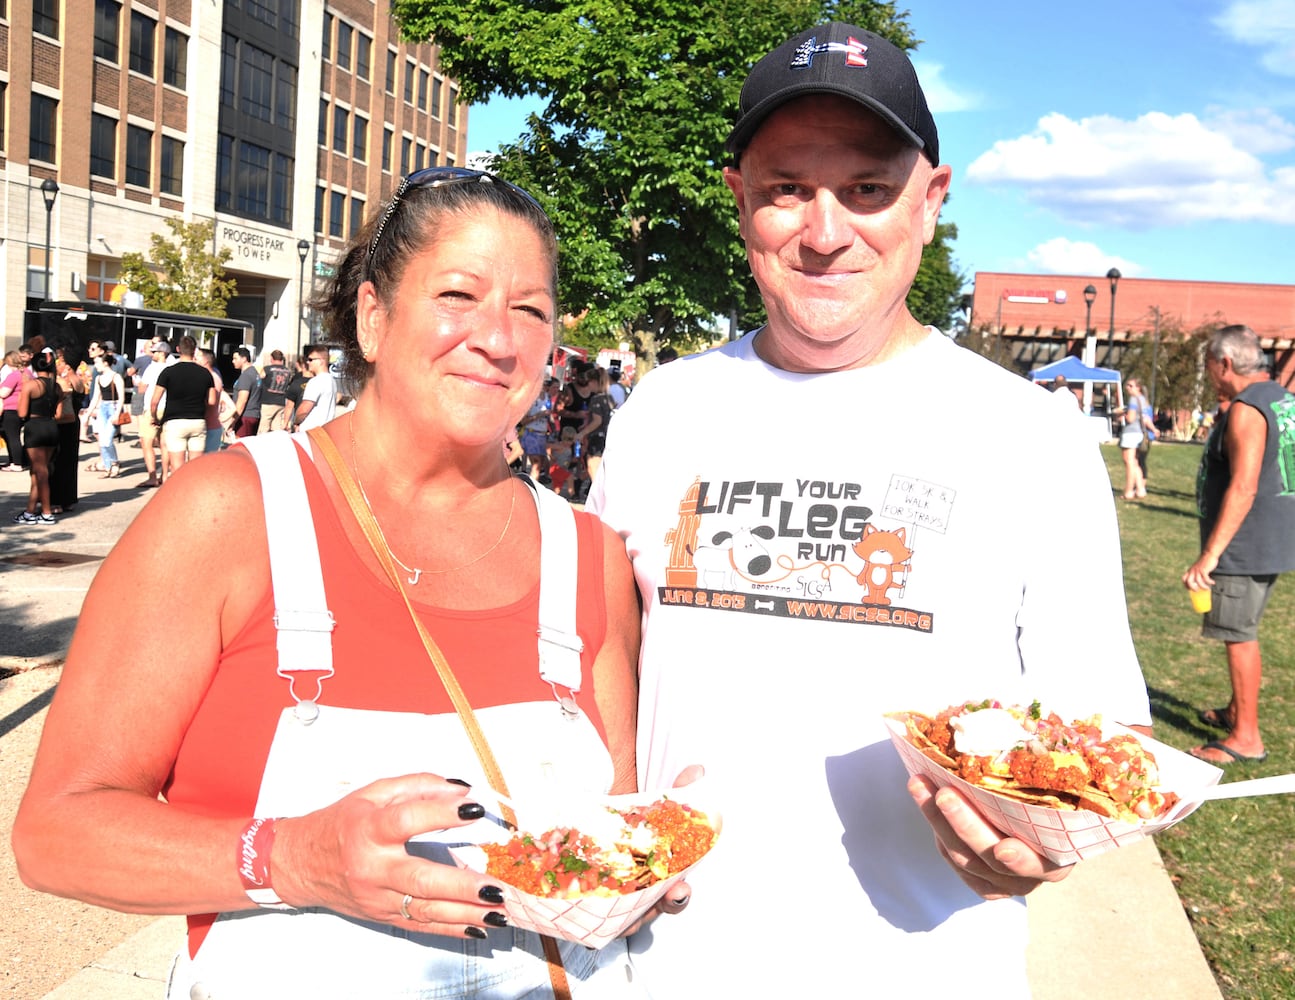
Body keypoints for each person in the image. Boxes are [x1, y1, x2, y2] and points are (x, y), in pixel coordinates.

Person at [586, 23, 1153, 998]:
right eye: (784, 189)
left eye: (864, 189)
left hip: (926, 967)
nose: (822, 231)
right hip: (667, 967)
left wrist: (1040, 847)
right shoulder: (662, 410)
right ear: (739, 203)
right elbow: (600, 648)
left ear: (929, 201)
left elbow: (1101, 730)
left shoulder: (1030, 435)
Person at [13, 166, 648, 999]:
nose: (499, 338)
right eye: (458, 294)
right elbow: (56, 832)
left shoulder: (588, 554)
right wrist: (297, 858)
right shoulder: (231, 512)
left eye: (529, 309)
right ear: (374, 317)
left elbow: (617, 828)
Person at [1182, 325, 1295, 765]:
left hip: (1244, 544)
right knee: (1242, 626)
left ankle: (1246, 736)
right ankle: (1236, 709)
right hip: (1273, 537)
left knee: (1238, 634)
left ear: (1225, 364)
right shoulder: (1283, 399)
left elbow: (1245, 486)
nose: (1211, 377)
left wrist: (1209, 556)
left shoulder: (1248, 408)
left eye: (1210, 368)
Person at [153, 335, 216, 478]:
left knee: (177, 467)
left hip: (175, 422)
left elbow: (154, 401)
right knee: (195, 466)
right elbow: (212, 401)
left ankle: (179, 495)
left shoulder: (168, 372)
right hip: (197, 421)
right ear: (194, 351)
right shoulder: (205, 373)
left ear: (177, 349)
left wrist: (155, 417)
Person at [13, 349, 62, 524]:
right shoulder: (56, 386)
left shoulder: (31, 385)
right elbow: (59, 413)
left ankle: (47, 512)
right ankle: (30, 510)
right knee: (37, 471)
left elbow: (22, 412)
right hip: (51, 426)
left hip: (35, 428)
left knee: (40, 472)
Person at [135, 339, 172, 488]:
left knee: (146, 442)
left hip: (152, 407)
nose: (152, 354)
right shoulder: (172, 366)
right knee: (164, 444)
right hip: (168, 407)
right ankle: (164, 475)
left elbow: (142, 389)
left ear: (162, 353)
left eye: (155, 352)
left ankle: (152, 476)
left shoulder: (152, 368)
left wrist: (138, 382)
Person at [86, 352, 126, 478]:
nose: (95, 365)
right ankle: (108, 467)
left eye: (97, 363)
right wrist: (87, 413)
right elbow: (95, 398)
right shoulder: (98, 378)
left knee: (108, 440)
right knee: (102, 441)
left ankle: (114, 463)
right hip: (103, 408)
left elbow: (121, 398)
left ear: (105, 363)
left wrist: (117, 414)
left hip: (113, 408)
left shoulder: (116, 377)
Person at [1118, 377, 1153, 499]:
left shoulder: (1133, 399)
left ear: (1137, 387)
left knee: (1129, 462)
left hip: (1130, 432)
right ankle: (1140, 489)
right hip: (1139, 433)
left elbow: (1131, 418)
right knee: (1135, 462)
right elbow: (1146, 417)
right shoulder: (1142, 399)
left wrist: (1122, 414)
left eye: (1130, 385)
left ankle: (1128, 491)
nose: (1127, 388)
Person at [290, 344, 338, 430]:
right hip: (323, 431)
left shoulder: (316, 381)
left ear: (321, 361)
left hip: (309, 432)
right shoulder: (331, 380)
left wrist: (296, 422)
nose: (308, 362)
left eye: (311, 359)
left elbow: (304, 410)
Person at [1, 349, 26, 471]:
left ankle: (16, 463)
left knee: (12, 437)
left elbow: (4, 393)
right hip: (21, 408)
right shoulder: (27, 374)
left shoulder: (14, 375)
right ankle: (14, 461)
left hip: (10, 409)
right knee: (13, 436)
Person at [257, 349, 293, 434]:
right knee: (277, 430)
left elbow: (258, 381)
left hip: (267, 402)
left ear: (272, 358)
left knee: (263, 429)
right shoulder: (288, 371)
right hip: (281, 403)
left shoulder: (267, 369)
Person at [230, 347, 263, 437]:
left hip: (245, 417)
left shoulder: (246, 375)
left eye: (235, 358)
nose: (233, 361)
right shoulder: (255, 373)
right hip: (254, 415)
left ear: (244, 359)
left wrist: (233, 420)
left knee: (240, 446)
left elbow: (242, 400)